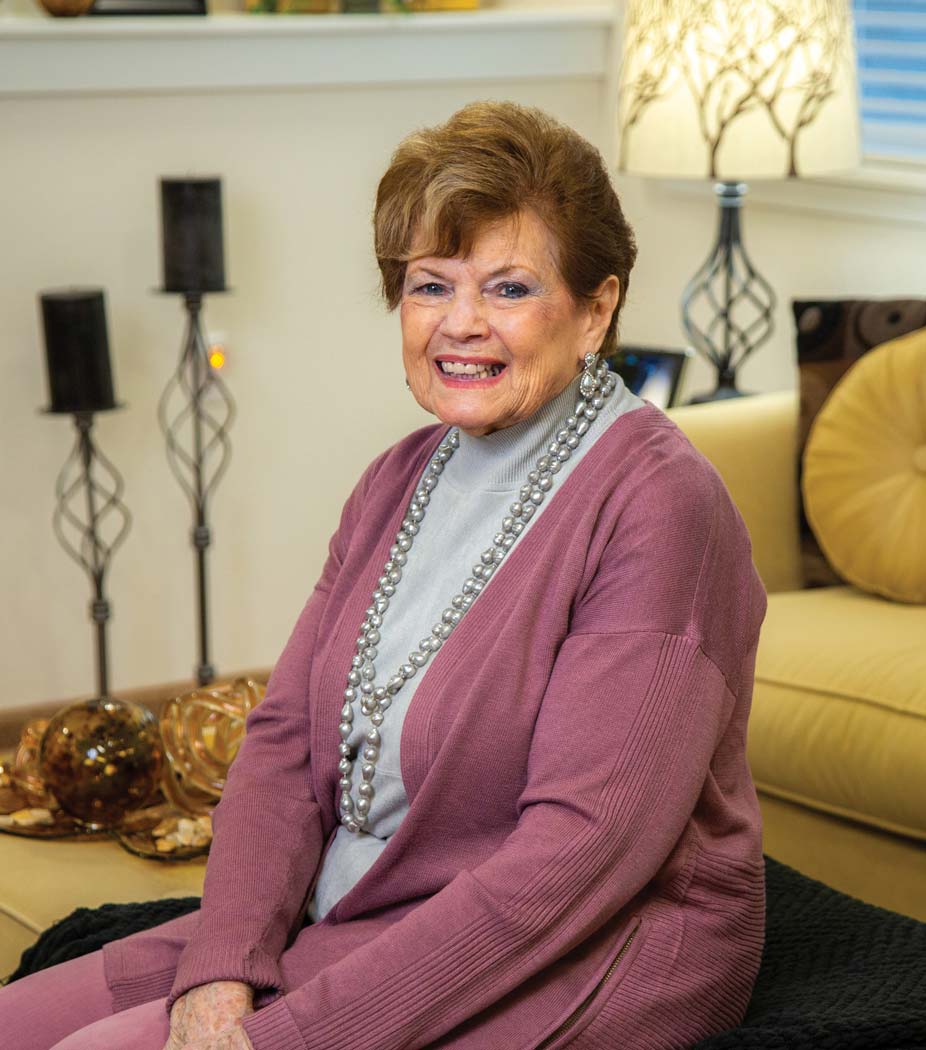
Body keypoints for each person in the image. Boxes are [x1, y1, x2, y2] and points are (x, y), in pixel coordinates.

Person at [1, 100, 767, 1050]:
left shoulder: (658, 505)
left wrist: (293, 1038)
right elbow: (283, 744)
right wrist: (224, 966)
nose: (463, 326)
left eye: (511, 288)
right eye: (430, 286)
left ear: (595, 310)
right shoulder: (401, 477)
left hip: (590, 944)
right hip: (369, 899)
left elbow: (582, 854)